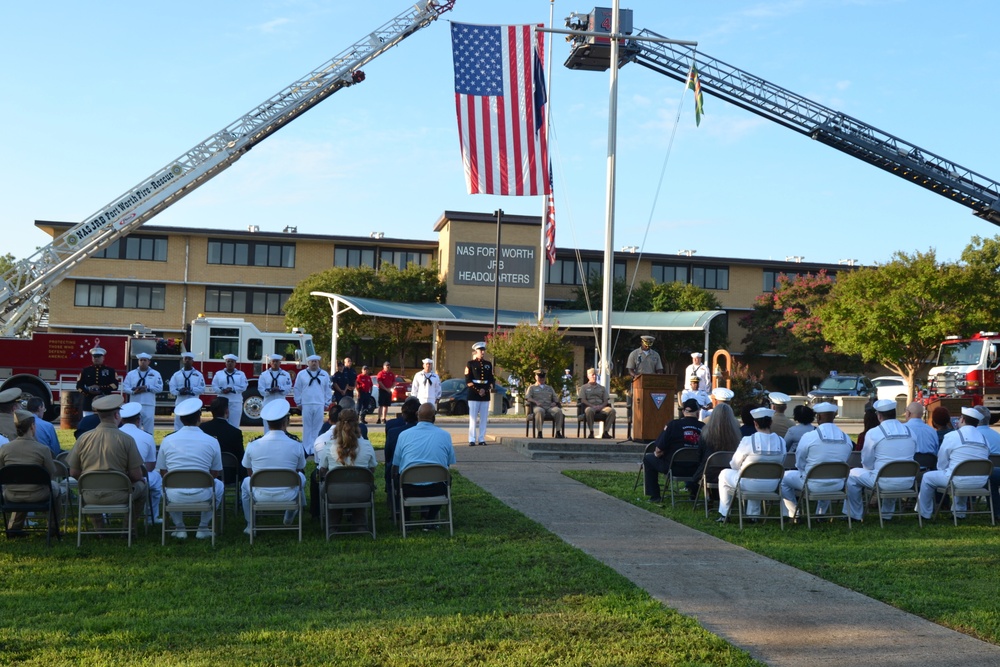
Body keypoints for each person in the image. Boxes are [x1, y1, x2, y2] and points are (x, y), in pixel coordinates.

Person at [66, 394, 147, 532]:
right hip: (120, 495)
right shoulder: (127, 440)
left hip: (89, 495)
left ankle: (99, 529)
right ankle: (128, 529)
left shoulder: (83, 438)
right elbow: (136, 475)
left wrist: (89, 482)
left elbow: (73, 472)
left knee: (88, 483)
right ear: (117, 415)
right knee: (143, 486)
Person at [157, 398, 224, 539]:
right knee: (219, 486)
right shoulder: (212, 441)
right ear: (199, 418)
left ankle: (180, 527)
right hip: (203, 492)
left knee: (162, 484)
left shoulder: (167, 440)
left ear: (181, 420)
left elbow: (163, 471)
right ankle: (203, 526)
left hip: (174, 494)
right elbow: (215, 472)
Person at [844, 399, 917, 522]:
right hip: (907, 481)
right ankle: (886, 514)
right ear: (894, 413)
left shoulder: (874, 433)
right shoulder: (910, 432)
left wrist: (870, 470)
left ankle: (854, 514)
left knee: (852, 475)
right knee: (891, 471)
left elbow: (866, 460)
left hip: (883, 481)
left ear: (879, 415)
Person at [240, 400, 307, 533]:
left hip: (259, 494)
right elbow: (298, 470)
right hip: (288, 494)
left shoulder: (253, 445)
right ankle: (290, 513)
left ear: (267, 423)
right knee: (301, 477)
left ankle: (250, 524)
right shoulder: (296, 445)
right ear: (285, 422)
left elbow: (249, 472)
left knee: (245, 482)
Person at [918, 406, 991, 521]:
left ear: (962, 420)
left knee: (928, 477)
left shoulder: (952, 436)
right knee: (960, 472)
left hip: (957, 480)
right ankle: (959, 513)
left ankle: (924, 513)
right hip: (980, 481)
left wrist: (944, 470)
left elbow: (942, 460)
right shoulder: (984, 439)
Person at [780, 402, 852, 519]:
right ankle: (821, 514)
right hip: (837, 484)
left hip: (812, 483)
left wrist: (804, 471)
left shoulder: (809, 437)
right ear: (834, 416)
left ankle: (793, 513)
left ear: (818, 417)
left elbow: (800, 461)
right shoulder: (846, 438)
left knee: (783, 478)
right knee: (828, 473)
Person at [717, 407, 786, 522]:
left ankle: (725, 513)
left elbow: (734, 464)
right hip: (773, 484)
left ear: (755, 423)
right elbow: (781, 462)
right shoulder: (781, 441)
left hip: (748, 483)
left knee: (724, 474)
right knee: (756, 474)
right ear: (771, 422)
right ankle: (753, 516)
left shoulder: (748, 440)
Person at [0, 409, 62, 537]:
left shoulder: (5, 448)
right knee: (56, 488)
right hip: (37, 494)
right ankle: (53, 528)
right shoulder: (42, 449)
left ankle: (14, 528)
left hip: (11, 495)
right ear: (33, 427)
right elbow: (52, 473)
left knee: (20, 483)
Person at [317, 408, 377, 531]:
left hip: (334, 493)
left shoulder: (329, 446)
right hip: (362, 493)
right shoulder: (367, 445)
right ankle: (360, 524)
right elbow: (372, 469)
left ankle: (333, 525)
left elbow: (322, 469)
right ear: (358, 424)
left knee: (327, 484)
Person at [394, 403, 456, 522]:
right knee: (448, 478)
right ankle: (430, 518)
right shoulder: (445, 435)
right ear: (434, 417)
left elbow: (396, 463)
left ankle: (406, 520)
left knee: (397, 478)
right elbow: (449, 462)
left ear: (417, 415)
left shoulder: (404, 435)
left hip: (408, 487)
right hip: (437, 488)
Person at [643, 398, 705, 503]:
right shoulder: (704, 427)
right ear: (698, 412)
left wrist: (658, 454)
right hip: (697, 470)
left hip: (673, 468)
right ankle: (693, 493)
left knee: (648, 459)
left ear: (683, 411)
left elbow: (658, 450)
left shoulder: (673, 425)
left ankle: (655, 496)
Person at [119, 402, 162, 525]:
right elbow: (150, 466)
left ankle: (105, 515)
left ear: (121, 420)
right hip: (138, 476)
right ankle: (151, 516)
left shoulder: (114, 435)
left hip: (115, 476)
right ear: (138, 420)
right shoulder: (147, 437)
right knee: (157, 478)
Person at [690, 402, 742, 501]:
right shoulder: (737, 435)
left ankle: (709, 496)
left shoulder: (705, 433)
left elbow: (700, 455)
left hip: (708, 473)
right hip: (729, 473)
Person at [383, 397, 420, 507]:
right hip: (430, 482)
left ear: (403, 414)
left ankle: (395, 505)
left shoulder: (394, 431)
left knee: (390, 466)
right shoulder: (433, 434)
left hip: (401, 477)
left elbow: (388, 457)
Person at [293, 354, 330, 453]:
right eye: (312, 361)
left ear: (318, 363)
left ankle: (315, 448)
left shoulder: (324, 374)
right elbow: (297, 388)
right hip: (306, 403)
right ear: (308, 363)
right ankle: (306, 448)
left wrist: (327, 402)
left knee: (318, 426)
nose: (314, 363)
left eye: (316, 361)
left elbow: (328, 389)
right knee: (307, 426)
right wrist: (298, 402)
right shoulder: (301, 374)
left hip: (319, 403)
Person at [121, 352, 162, 434]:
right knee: (135, 427)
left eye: (145, 360)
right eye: (141, 360)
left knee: (149, 428)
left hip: (148, 404)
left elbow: (159, 388)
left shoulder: (155, 374)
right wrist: (133, 391)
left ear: (149, 362)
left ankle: (149, 443)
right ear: (138, 361)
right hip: (135, 404)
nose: (143, 362)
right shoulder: (131, 374)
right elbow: (125, 387)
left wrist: (147, 388)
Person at [465, 341, 494, 447]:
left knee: (484, 418)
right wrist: (478, 390)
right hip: (473, 393)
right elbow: (468, 379)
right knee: (473, 418)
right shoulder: (470, 364)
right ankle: (471, 439)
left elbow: (491, 379)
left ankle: (481, 438)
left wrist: (485, 390)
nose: (482, 352)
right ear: (475, 351)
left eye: (483, 350)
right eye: (480, 350)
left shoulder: (488, 364)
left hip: (485, 393)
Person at [200, 397, 245, 463]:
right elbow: (241, 458)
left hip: (207, 469)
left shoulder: (202, 428)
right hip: (229, 470)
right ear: (227, 411)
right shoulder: (235, 432)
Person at [76, 346, 119, 416]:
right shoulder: (86, 371)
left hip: (105, 403)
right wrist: (87, 392)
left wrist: (100, 388)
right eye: (94, 357)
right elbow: (79, 386)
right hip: (89, 403)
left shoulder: (110, 371)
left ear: (103, 358)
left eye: (98, 357)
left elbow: (115, 386)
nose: (96, 359)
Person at [168, 351, 206, 431]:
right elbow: (172, 389)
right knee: (178, 424)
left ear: (193, 361)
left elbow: (202, 389)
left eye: (189, 359)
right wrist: (179, 391)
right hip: (180, 403)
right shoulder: (177, 375)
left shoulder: (198, 375)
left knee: (194, 424)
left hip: (193, 404)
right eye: (185, 359)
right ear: (183, 360)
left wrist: (191, 389)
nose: (187, 360)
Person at [257, 354, 292, 434]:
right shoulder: (264, 375)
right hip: (268, 402)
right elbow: (260, 389)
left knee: (281, 423)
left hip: (280, 402)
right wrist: (269, 391)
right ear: (270, 363)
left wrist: (280, 389)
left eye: (277, 361)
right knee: (267, 423)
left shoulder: (285, 374)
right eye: (273, 361)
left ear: (280, 363)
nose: (275, 363)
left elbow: (288, 388)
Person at [525, 369, 565, 439]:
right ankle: (540, 432)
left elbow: (556, 398)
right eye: (540, 377)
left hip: (549, 406)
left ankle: (558, 432)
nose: (542, 379)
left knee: (558, 411)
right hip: (538, 406)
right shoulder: (532, 387)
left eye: (543, 377)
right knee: (540, 411)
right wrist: (535, 401)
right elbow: (528, 398)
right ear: (536, 377)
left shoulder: (549, 388)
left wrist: (555, 403)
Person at [212, 354, 248, 430]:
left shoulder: (241, 374)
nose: (230, 363)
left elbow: (244, 386)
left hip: (235, 401)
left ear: (235, 363)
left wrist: (232, 389)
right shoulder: (219, 374)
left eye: (232, 362)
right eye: (228, 361)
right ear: (225, 363)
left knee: (234, 423)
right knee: (222, 423)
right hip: (222, 401)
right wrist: (221, 390)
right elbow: (214, 386)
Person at [578, 367, 616, 439]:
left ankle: (605, 432)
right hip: (590, 406)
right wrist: (592, 406)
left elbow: (605, 400)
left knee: (612, 411)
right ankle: (591, 432)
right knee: (588, 411)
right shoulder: (584, 387)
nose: (594, 376)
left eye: (595, 375)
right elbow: (583, 400)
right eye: (592, 375)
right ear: (588, 376)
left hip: (601, 407)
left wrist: (601, 406)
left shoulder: (602, 388)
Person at [903, 401, 941, 470]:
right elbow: (936, 451)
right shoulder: (932, 431)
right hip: (929, 470)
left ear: (908, 413)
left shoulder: (902, 429)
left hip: (907, 470)